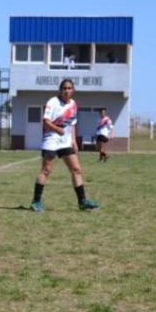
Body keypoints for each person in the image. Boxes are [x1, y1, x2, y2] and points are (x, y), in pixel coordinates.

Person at [29, 79, 99, 212]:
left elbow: (72, 124)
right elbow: (46, 121)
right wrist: (57, 129)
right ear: (60, 90)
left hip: (65, 140)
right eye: (64, 88)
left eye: (69, 88)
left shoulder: (73, 104)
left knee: (76, 169)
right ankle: (36, 201)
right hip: (51, 138)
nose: (67, 91)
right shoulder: (53, 102)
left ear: (73, 90)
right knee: (46, 170)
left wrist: (73, 141)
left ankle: (82, 201)